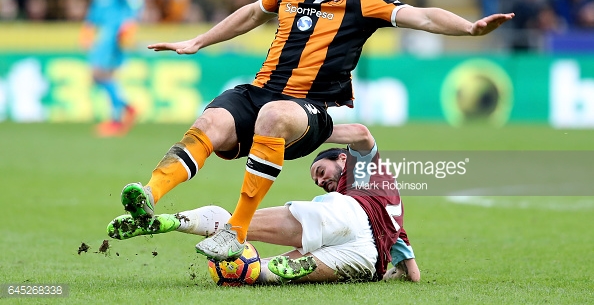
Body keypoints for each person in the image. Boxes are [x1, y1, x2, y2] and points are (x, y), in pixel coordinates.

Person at [117, 0, 513, 261]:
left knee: (274, 116)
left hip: (308, 110)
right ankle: (149, 195)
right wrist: (198, 41)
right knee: (211, 121)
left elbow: (422, 15)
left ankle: (235, 230)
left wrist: (471, 28)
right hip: (260, 91)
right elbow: (254, 13)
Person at [108, 124, 420, 284]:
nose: (322, 180)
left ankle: (173, 221)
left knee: (237, 224)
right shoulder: (395, 213)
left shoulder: (362, 171)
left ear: (343, 158)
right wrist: (395, 274)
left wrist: (308, 134)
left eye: (321, 172)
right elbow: (412, 272)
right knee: (259, 274)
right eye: (318, 179)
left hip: (347, 214)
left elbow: (362, 135)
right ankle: (274, 268)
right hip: (366, 258)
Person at [80, 0, 144, 137]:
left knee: (100, 73)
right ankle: (125, 110)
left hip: (116, 31)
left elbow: (136, 2)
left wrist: (129, 24)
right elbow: (96, 6)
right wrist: (88, 27)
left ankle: (119, 117)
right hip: (103, 31)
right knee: (100, 75)